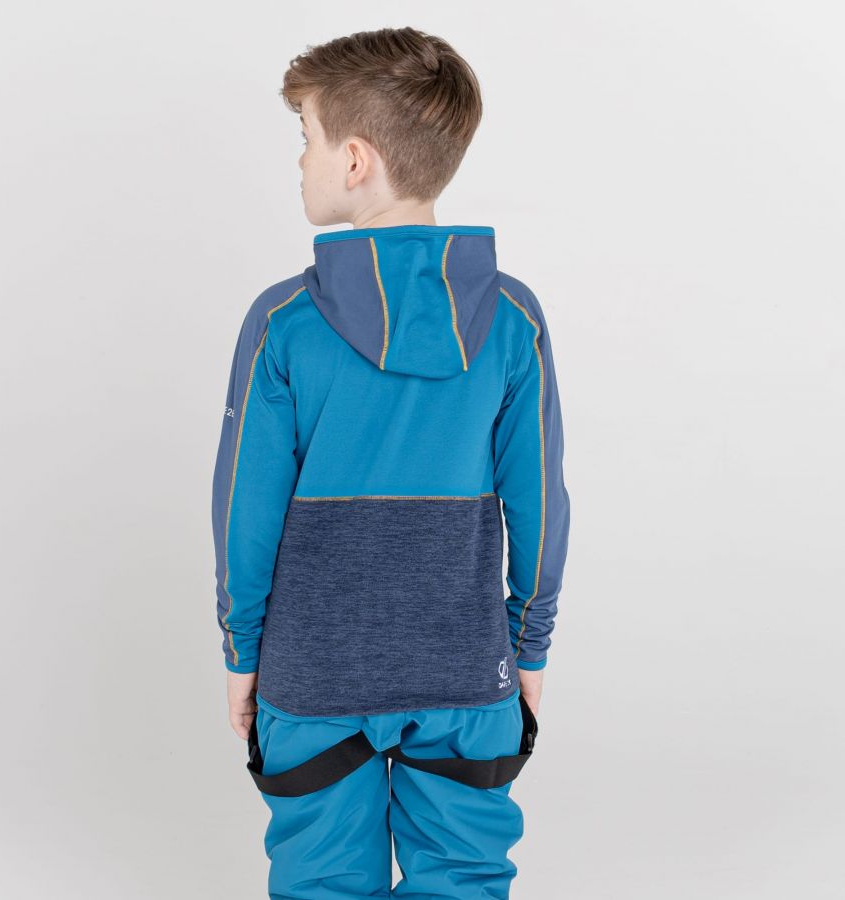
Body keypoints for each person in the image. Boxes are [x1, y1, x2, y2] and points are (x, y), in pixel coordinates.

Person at [210, 26, 571, 899]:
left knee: (323, 885)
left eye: (307, 137)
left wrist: (242, 653)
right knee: (464, 880)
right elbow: (541, 507)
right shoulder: (513, 321)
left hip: (313, 673)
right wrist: (528, 647)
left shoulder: (283, 325)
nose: (301, 160)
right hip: (464, 670)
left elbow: (244, 515)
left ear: (355, 160)